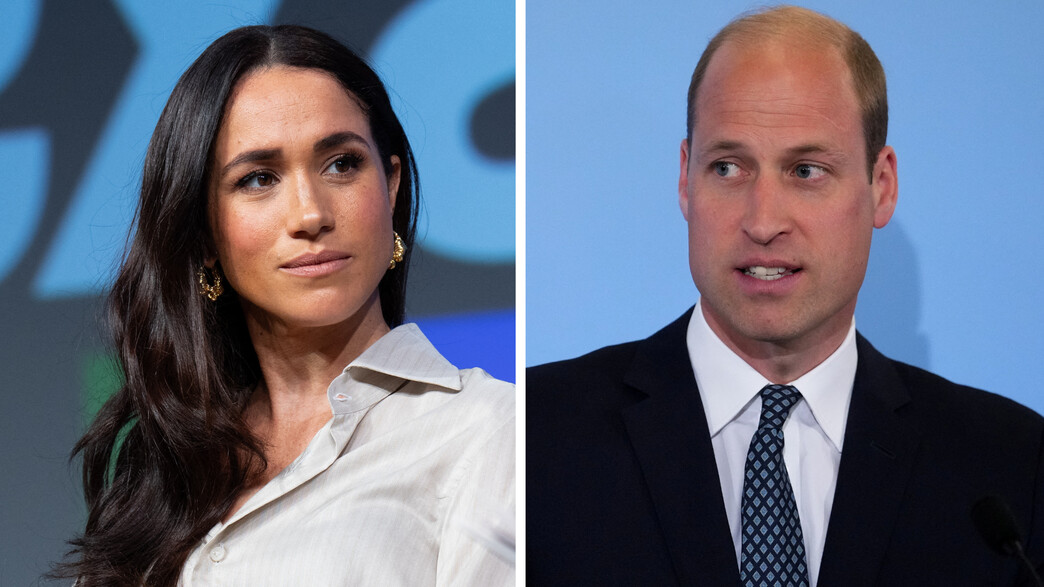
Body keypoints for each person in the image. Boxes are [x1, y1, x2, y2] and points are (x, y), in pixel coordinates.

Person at [527, 6, 1043, 586]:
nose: (764, 220)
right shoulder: (533, 439)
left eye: (805, 170)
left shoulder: (1009, 465)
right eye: (727, 167)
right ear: (684, 178)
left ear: (881, 186)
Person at [54, 25, 514, 586]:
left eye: (341, 164)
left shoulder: (488, 431)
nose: (309, 214)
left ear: (390, 187)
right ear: (201, 232)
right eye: (258, 178)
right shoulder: (162, 472)